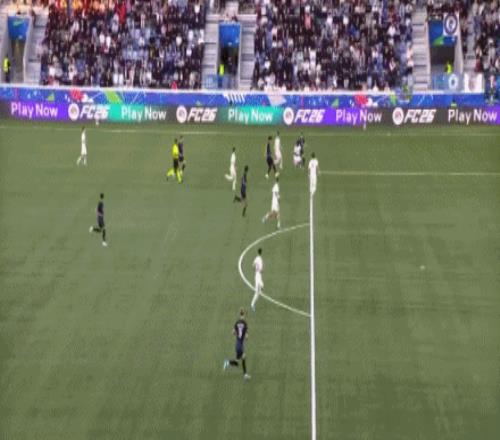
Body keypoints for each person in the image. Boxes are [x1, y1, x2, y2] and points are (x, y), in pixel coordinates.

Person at [223, 308, 251, 380]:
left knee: (237, 362)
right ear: (244, 315)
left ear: (240, 314)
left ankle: (227, 363)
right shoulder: (245, 323)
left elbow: (232, 332)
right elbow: (247, 337)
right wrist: (245, 336)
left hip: (238, 344)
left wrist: (238, 335)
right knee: (243, 357)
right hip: (240, 345)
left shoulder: (237, 322)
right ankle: (245, 375)